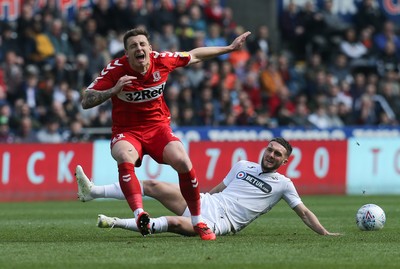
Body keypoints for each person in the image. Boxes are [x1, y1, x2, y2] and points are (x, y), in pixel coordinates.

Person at [80, 27, 251, 240]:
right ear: (126, 53)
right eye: (133, 46)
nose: (139, 48)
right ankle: (139, 213)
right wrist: (113, 91)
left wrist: (229, 48)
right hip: (127, 131)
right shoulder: (115, 70)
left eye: (142, 44)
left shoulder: (163, 60)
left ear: (150, 49)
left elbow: (195, 54)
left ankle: (198, 221)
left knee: (183, 161)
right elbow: (86, 100)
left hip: (158, 128)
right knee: (125, 156)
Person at [76, 137, 341, 237]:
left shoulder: (284, 185)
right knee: (153, 184)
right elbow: (218, 189)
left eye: (277, 154)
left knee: (174, 224)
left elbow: (304, 212)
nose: (271, 155)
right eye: (270, 150)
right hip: (206, 203)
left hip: (223, 223)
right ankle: (93, 192)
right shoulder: (242, 165)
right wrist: (197, 202)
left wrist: (325, 233)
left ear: (285, 160)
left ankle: (115, 222)